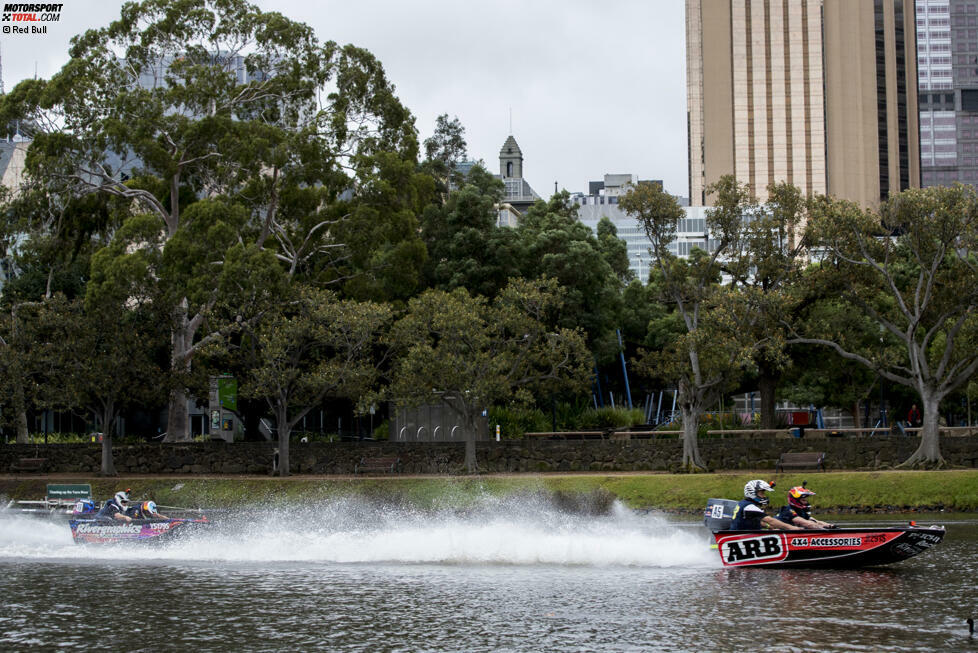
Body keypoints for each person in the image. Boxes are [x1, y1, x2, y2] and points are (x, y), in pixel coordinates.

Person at [730, 480, 801, 531]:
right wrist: (791, 528)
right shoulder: (750, 507)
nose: (764, 496)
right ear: (752, 492)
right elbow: (771, 520)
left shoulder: (743, 503)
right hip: (741, 537)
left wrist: (769, 527)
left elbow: (754, 521)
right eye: (762, 493)